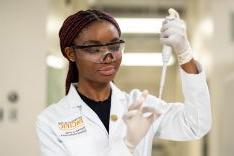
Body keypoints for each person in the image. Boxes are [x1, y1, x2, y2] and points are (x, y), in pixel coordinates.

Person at [36, 9, 212, 156]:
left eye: (114, 46)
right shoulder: (51, 121)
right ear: (71, 53)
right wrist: (127, 144)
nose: (108, 56)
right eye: (94, 48)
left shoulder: (140, 107)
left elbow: (195, 124)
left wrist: (184, 54)